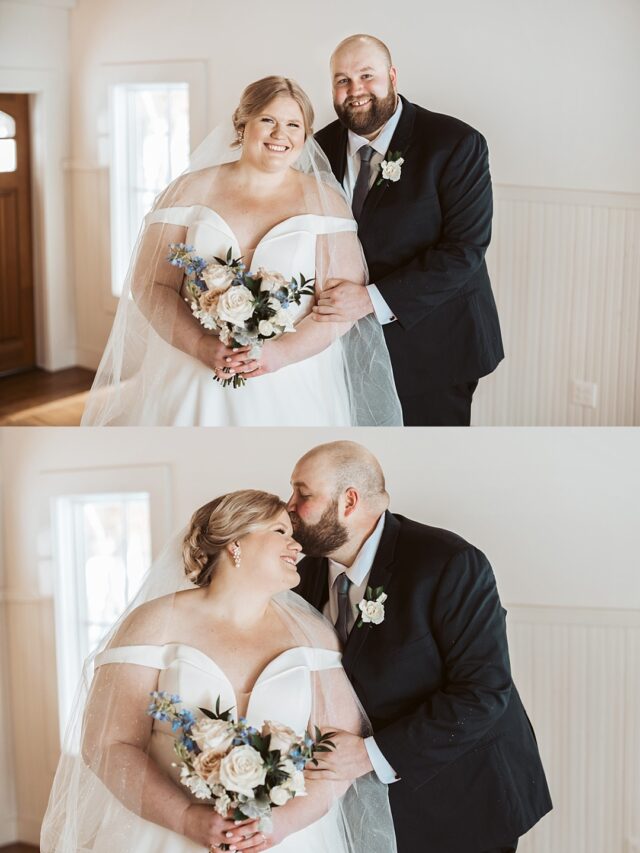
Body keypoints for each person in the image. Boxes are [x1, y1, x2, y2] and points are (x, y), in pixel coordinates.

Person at [40, 490, 396, 853]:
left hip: (287, 840)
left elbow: (336, 755)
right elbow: (108, 743)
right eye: (280, 532)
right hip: (167, 835)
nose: (297, 547)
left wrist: (279, 825)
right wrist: (184, 817)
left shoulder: (313, 635)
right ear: (235, 542)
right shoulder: (152, 625)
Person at [81, 76, 401, 427]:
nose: (281, 135)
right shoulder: (188, 190)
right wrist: (200, 345)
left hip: (292, 381)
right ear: (242, 123)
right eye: (268, 120)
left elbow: (340, 307)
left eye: (293, 124)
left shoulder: (326, 202)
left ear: (306, 134)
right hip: (194, 372)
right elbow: (150, 284)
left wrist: (280, 354)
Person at [289, 441, 553, 853]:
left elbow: (482, 694)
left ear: (349, 502)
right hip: (359, 809)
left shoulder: (448, 563)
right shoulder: (300, 575)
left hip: (463, 799)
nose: (288, 506)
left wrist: (366, 756)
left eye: (302, 495)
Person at [312, 35, 504, 426]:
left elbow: (464, 249)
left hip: (435, 347)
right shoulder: (318, 148)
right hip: (339, 350)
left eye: (367, 75)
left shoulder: (455, 143)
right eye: (342, 80)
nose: (355, 90)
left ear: (392, 76)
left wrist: (370, 299)